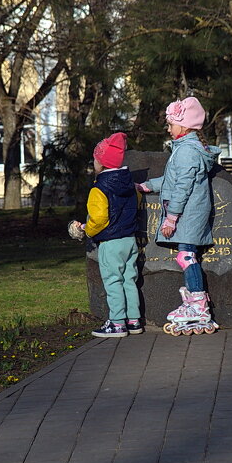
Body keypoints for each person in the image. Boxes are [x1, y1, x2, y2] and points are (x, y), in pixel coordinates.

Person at [137, 97, 221, 336]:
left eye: (171, 123)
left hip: (188, 213)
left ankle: (198, 305)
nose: (168, 128)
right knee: (187, 255)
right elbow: (171, 181)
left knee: (186, 256)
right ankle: (194, 301)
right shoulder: (185, 149)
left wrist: (171, 218)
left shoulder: (186, 152)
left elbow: (182, 187)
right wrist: (147, 186)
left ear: (183, 127)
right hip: (189, 212)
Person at [69, 132, 142, 338]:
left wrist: (87, 230)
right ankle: (134, 320)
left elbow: (99, 218)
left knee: (113, 281)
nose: (94, 163)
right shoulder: (129, 184)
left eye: (95, 159)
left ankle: (117, 323)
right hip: (130, 239)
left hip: (110, 242)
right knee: (129, 279)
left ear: (102, 163)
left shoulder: (99, 188)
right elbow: (135, 204)